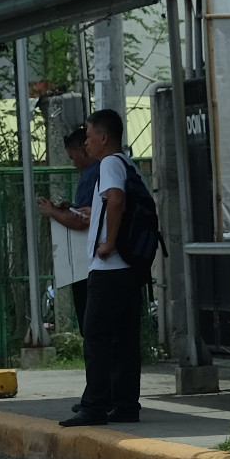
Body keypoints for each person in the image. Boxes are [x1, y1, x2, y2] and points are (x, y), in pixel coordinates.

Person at [62, 108, 152, 427]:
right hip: (129, 269)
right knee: (126, 339)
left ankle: (95, 405)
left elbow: (115, 201)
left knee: (96, 336)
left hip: (109, 268)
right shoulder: (128, 163)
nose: (85, 142)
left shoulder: (110, 163)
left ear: (103, 137)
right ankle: (126, 404)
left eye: (88, 135)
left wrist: (109, 242)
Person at [36, 124, 96, 332]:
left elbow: (82, 221)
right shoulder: (99, 172)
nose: (74, 163)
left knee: (91, 326)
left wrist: (53, 212)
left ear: (83, 150)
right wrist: (69, 209)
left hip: (89, 264)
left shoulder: (91, 175)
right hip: (97, 263)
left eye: (73, 157)